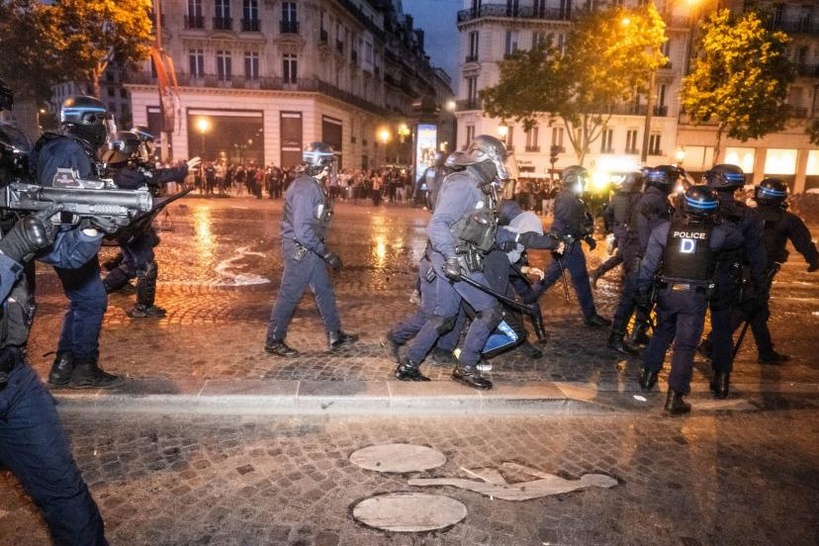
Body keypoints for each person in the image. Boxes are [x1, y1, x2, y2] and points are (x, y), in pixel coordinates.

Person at [0, 78, 109, 546]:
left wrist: (92, 228)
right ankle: (73, 361)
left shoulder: (15, 171)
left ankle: (73, 361)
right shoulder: (67, 151)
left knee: (71, 504)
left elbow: (62, 253)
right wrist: (11, 252)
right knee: (91, 301)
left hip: (12, 376)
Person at [391, 135, 532, 390]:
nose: (501, 166)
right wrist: (451, 257)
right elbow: (438, 224)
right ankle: (466, 367)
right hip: (456, 259)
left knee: (443, 317)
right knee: (490, 311)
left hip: (458, 258)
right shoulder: (464, 184)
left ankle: (408, 366)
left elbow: (483, 231)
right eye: (498, 160)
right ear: (484, 158)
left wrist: (517, 241)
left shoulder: (480, 185)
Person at [30, 95, 123, 389]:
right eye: (101, 121)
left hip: (74, 237)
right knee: (92, 300)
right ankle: (84, 366)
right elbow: (62, 201)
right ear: (88, 120)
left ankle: (64, 366)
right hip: (67, 241)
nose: (104, 128)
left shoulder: (71, 148)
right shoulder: (66, 150)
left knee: (82, 301)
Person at [636, 185, 742, 415]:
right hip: (695, 295)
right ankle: (675, 396)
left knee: (662, 333)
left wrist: (642, 291)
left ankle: (648, 376)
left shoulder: (664, 229)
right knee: (685, 346)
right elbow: (737, 237)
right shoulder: (717, 234)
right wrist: (720, 218)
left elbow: (648, 265)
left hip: (667, 292)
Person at [264, 142, 358, 356]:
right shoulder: (305, 188)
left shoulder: (312, 184)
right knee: (289, 295)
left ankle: (335, 334)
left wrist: (321, 250)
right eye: (329, 163)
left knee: (324, 290)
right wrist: (326, 253)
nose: (331, 167)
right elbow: (302, 231)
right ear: (320, 163)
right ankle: (273, 340)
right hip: (301, 250)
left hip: (310, 249)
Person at [101, 128, 200, 317]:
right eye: (136, 148)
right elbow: (155, 175)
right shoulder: (124, 172)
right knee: (145, 264)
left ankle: (104, 286)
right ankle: (142, 307)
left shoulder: (111, 168)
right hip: (131, 225)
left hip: (128, 224)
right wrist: (183, 169)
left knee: (134, 260)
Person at [731, 177, 818, 363]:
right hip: (762, 270)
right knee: (749, 306)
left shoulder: (747, 214)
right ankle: (712, 342)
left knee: (757, 310)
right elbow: (804, 243)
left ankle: (766, 352)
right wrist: (814, 261)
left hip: (740, 266)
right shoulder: (788, 219)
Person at [700, 164, 767, 398]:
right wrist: (759, 285)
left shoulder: (697, 206)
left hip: (698, 274)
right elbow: (757, 254)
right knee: (722, 329)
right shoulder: (749, 215)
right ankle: (722, 378)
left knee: (686, 325)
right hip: (728, 276)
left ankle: (671, 381)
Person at [525, 166, 610, 328]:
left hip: (567, 243)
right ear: (574, 179)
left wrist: (586, 237)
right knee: (580, 280)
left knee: (550, 277)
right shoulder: (567, 198)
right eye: (582, 179)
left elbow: (575, 223)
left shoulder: (571, 196)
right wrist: (580, 234)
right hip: (568, 244)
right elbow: (567, 224)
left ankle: (525, 301)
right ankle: (590, 316)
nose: (585, 182)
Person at [602, 171, 645, 355]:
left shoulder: (617, 196)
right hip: (632, 237)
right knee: (631, 284)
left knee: (623, 259)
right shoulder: (640, 198)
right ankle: (625, 333)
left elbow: (607, 213)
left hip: (621, 232)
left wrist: (612, 228)